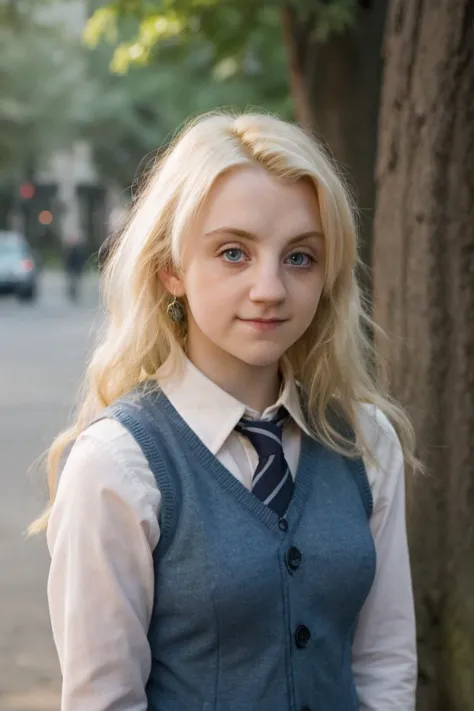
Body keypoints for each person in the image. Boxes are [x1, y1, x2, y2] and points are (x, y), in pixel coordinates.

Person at [31, 111, 419, 711]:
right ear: (171, 269)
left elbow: (384, 660)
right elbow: (104, 700)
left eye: (300, 257)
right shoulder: (118, 464)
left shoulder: (366, 440)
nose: (269, 288)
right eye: (234, 252)